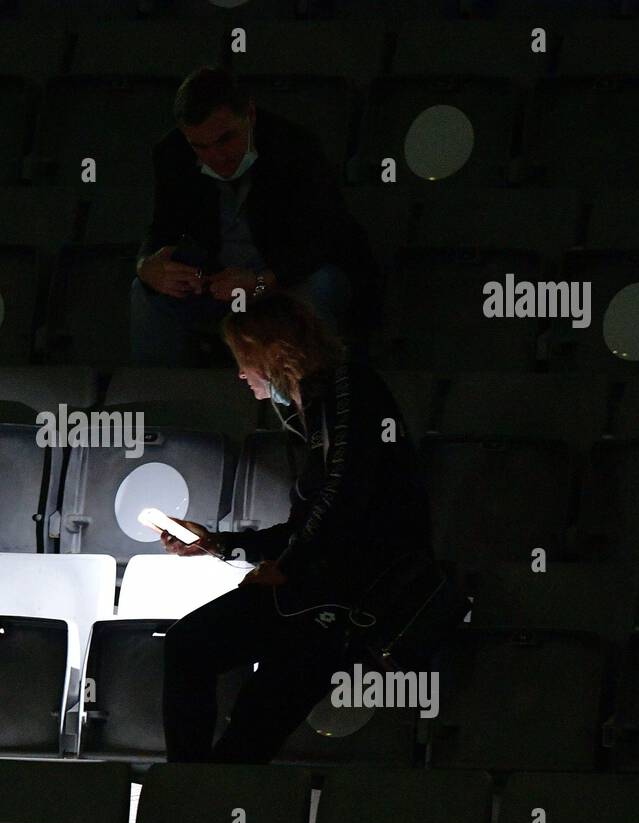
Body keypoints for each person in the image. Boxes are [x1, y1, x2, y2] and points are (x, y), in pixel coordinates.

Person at [157, 289, 436, 764]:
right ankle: (190, 793)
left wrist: (287, 565)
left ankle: (193, 800)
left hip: (348, 600)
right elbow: (309, 521)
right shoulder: (315, 408)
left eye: (243, 359)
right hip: (313, 590)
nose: (240, 374)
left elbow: (343, 500)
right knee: (192, 652)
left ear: (271, 352)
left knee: (243, 719)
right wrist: (218, 543)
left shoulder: (349, 388)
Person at [131, 64, 378, 368]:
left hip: (289, 272)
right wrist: (147, 266)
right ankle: (162, 396)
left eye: (225, 139)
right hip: (218, 278)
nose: (216, 157)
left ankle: (312, 398)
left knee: (317, 290)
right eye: (200, 147)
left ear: (249, 114)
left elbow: (324, 239)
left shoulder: (295, 146)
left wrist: (262, 282)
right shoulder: (172, 153)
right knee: (145, 294)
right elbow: (162, 226)